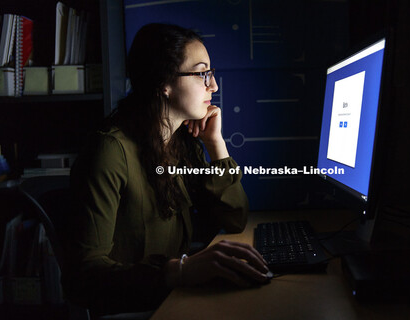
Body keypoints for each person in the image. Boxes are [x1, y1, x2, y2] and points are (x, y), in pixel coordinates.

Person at [61, 23, 269, 316]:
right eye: (202, 73)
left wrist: (215, 144)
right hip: (138, 308)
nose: (214, 85)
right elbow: (82, 278)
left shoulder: (182, 143)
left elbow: (235, 219)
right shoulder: (110, 151)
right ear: (164, 83)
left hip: (175, 299)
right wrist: (178, 271)